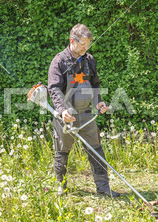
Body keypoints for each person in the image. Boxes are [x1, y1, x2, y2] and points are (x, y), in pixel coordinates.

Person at [47, 23, 120, 197]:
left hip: (87, 115)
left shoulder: (89, 60)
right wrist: (62, 110)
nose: (86, 47)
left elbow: (95, 84)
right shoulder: (59, 61)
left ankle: (103, 188)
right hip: (66, 117)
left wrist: (99, 102)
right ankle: (61, 186)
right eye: (83, 44)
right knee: (62, 151)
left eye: (88, 44)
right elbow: (54, 88)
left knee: (96, 149)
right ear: (72, 41)